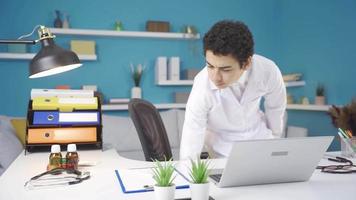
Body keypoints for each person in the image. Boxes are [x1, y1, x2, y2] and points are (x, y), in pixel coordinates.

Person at [180, 20, 286, 160]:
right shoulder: (202, 84)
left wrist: (274, 140)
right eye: (210, 66)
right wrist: (189, 172)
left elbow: (276, 107)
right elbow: (193, 131)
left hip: (260, 142)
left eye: (225, 69)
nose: (215, 77)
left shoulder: (267, 70)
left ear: (247, 63)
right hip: (221, 150)